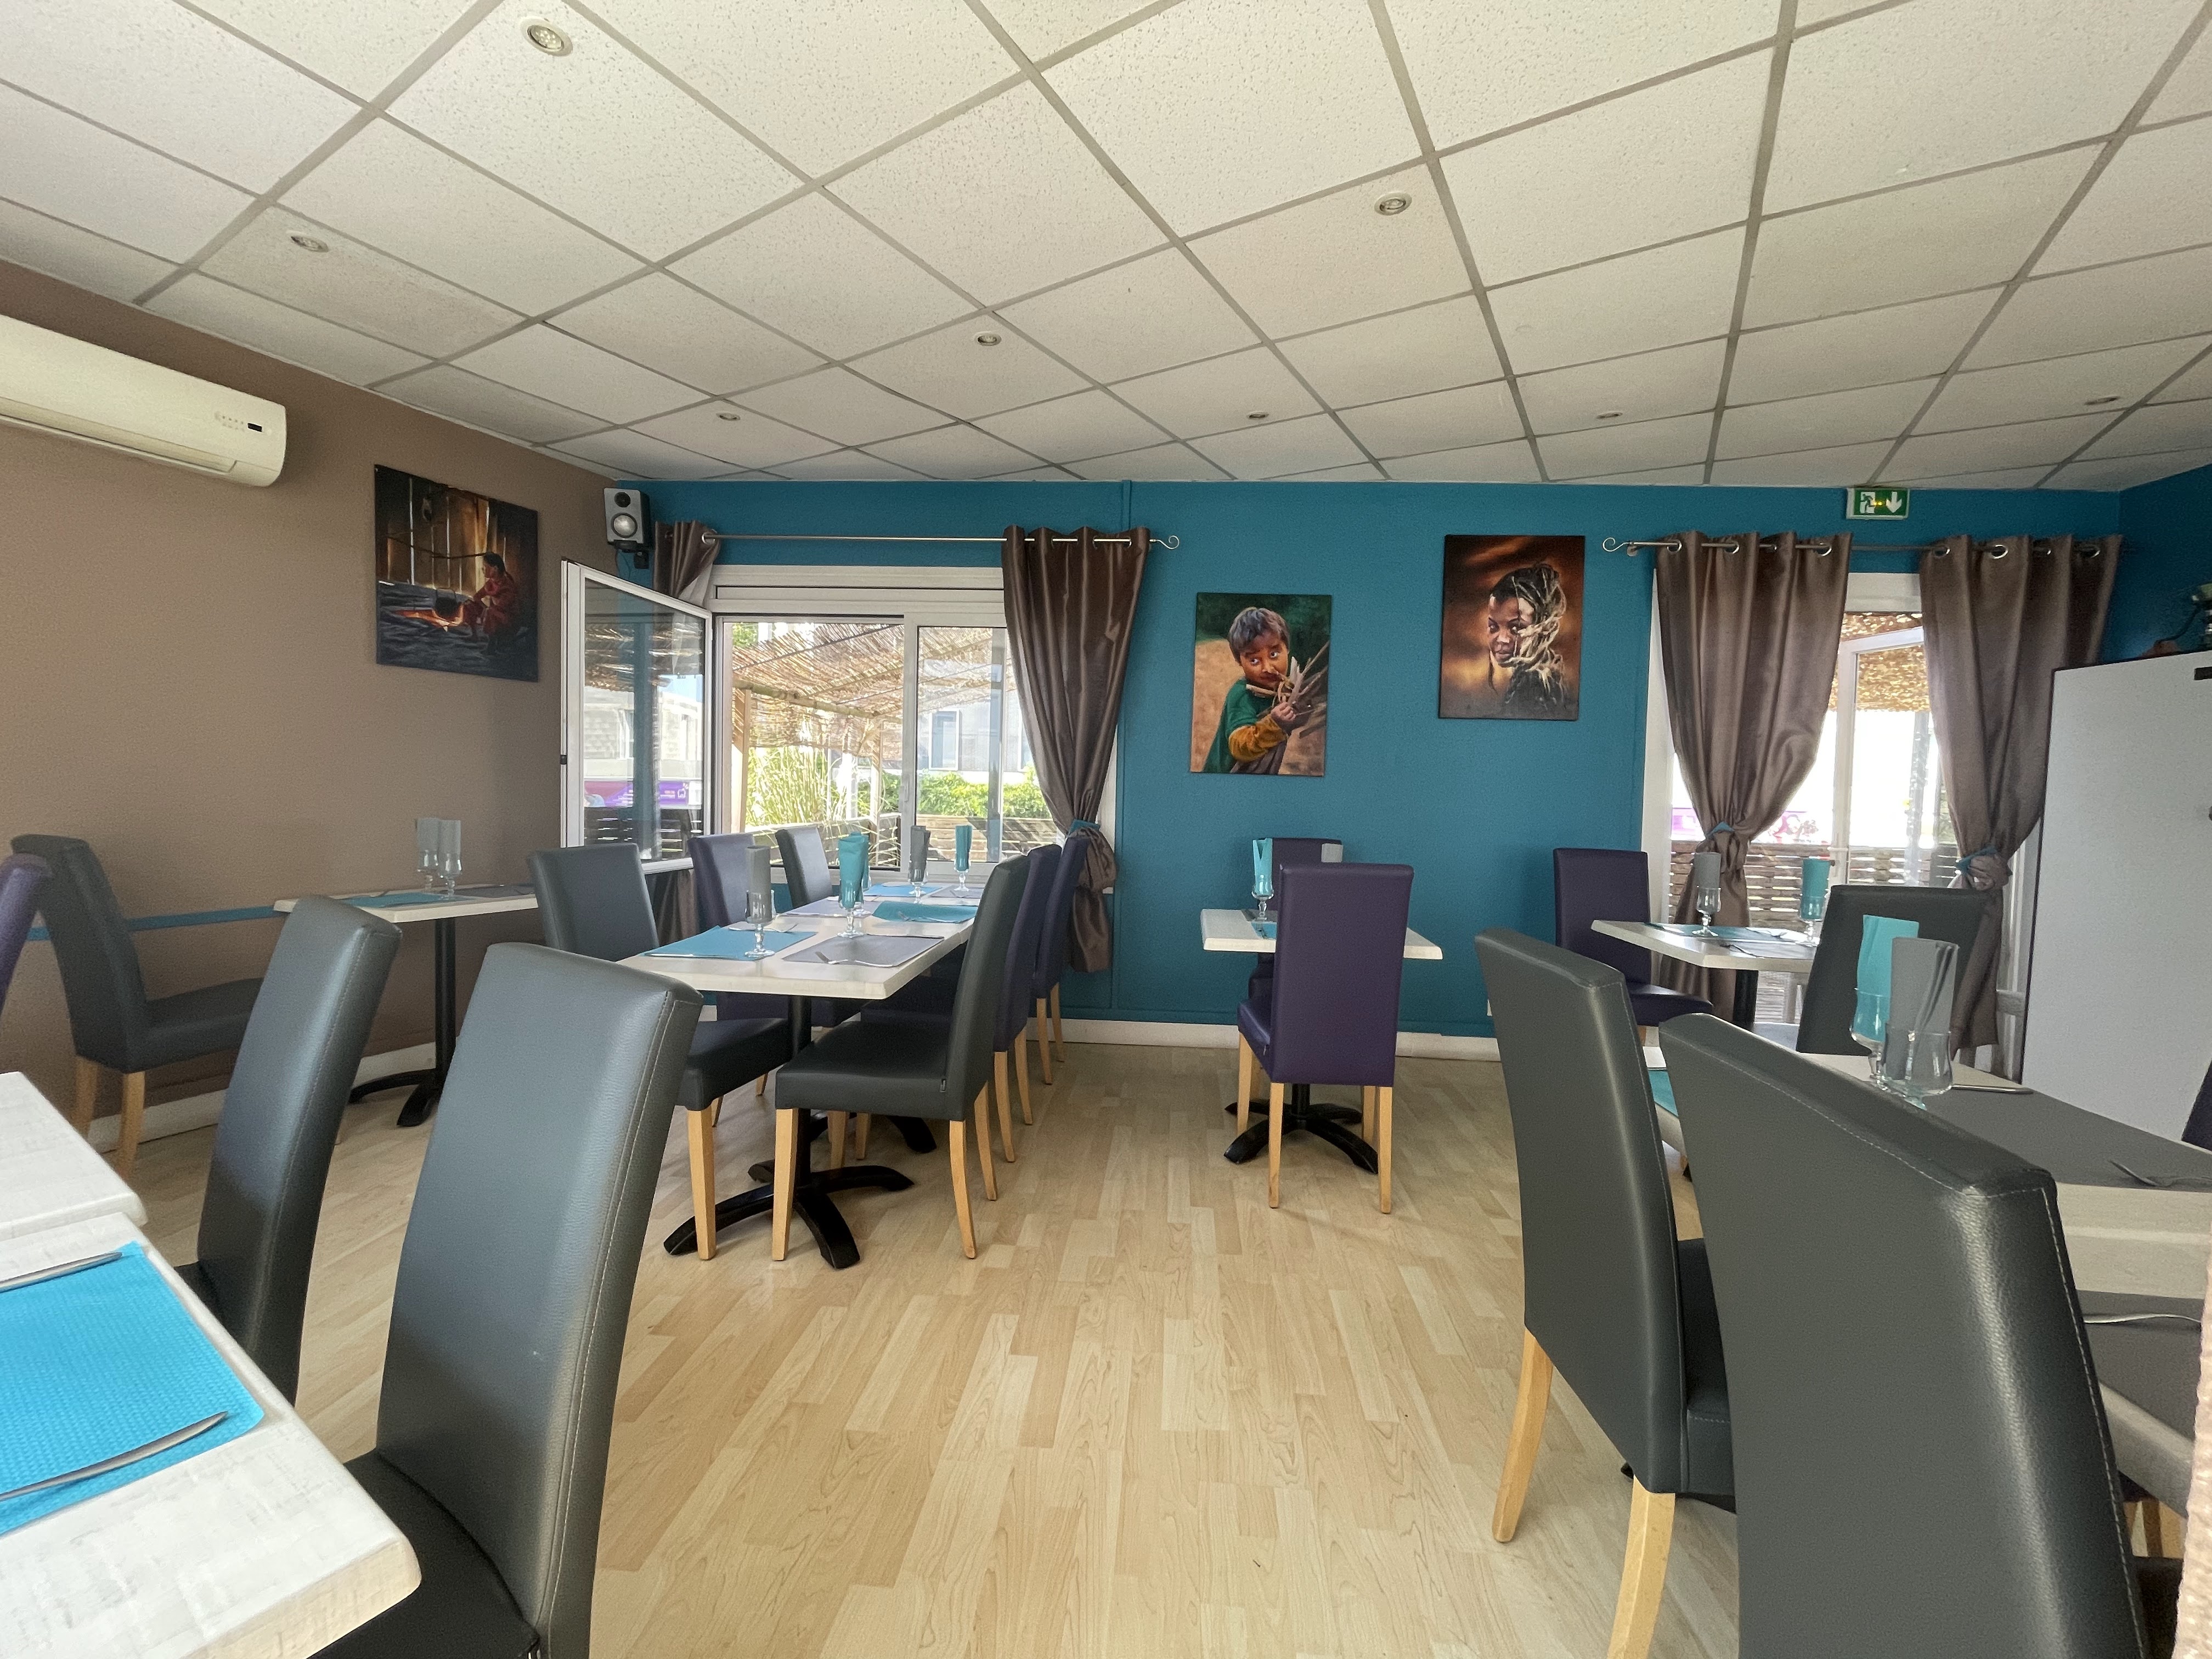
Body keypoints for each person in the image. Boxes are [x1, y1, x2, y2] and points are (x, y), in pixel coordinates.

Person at [1203, 607, 1317, 774]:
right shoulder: (1243, 695)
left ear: (1287, 649)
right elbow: (1240, 747)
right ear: (1240, 662)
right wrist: (1274, 724)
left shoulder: (1284, 688)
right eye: (1255, 661)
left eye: (1274, 654)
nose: (1268, 668)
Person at [1476, 562, 1571, 718]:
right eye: (1493, 627)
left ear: (1547, 627)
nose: (1502, 639)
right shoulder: (1528, 677)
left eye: (1516, 628)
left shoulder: (1539, 685)